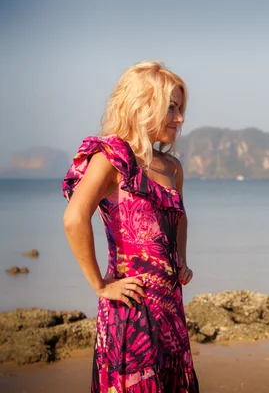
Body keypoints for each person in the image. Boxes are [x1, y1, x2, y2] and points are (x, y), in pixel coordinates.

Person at [62, 60, 200, 392]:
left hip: (169, 306)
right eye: (170, 107)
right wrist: (100, 284)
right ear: (142, 105)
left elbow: (179, 216)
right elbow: (74, 218)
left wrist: (180, 259)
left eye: (180, 108)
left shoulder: (171, 167)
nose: (179, 118)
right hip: (131, 308)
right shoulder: (111, 158)